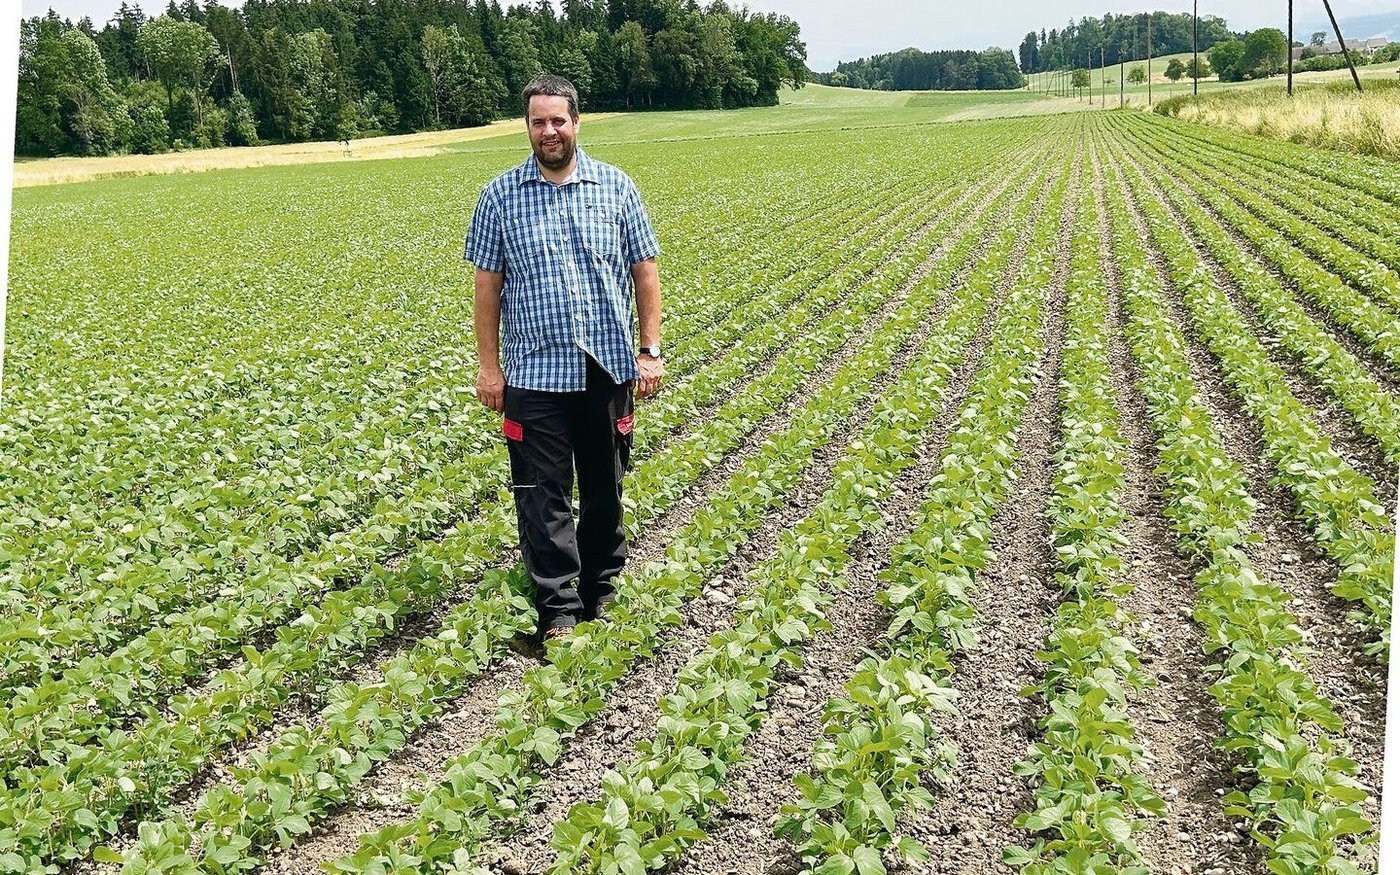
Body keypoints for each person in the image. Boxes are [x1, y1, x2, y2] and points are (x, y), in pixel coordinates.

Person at [465, 74, 664, 644]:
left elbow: (643, 270)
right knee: (541, 492)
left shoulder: (617, 188)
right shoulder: (500, 196)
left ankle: (603, 587)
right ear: (526, 127)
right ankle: (558, 607)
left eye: (557, 120)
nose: (548, 131)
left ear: (577, 122)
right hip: (532, 373)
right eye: (537, 122)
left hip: (605, 366)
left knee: (604, 487)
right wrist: (489, 366)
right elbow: (487, 286)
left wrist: (648, 351)